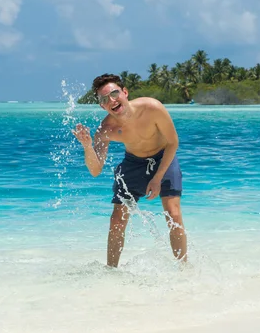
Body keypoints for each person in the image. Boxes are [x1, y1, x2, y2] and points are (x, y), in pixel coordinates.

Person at [72, 73, 188, 268]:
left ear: (125, 93)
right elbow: (95, 170)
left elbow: (173, 142)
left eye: (114, 94)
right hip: (133, 164)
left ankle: (184, 268)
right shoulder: (105, 129)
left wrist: (157, 178)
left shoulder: (152, 108)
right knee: (117, 219)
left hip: (163, 157)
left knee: (173, 215)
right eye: (104, 99)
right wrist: (87, 146)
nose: (111, 100)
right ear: (102, 106)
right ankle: (111, 271)